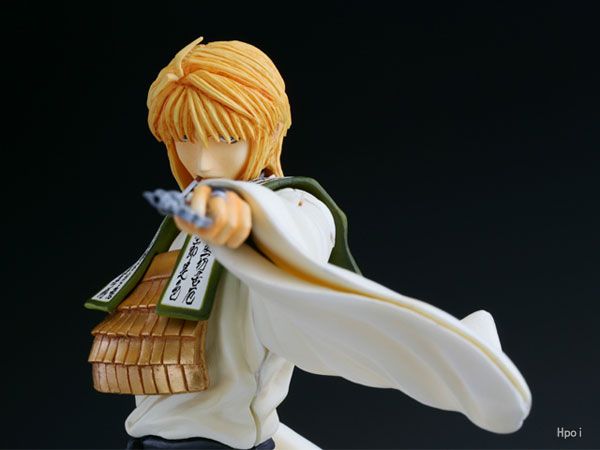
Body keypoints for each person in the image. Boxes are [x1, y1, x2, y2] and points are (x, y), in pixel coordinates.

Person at [86, 36, 531, 450]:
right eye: (184, 138)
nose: (202, 158)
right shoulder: (187, 214)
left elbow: (298, 232)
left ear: (265, 133)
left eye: (225, 139)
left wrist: (250, 216)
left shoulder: (289, 205)